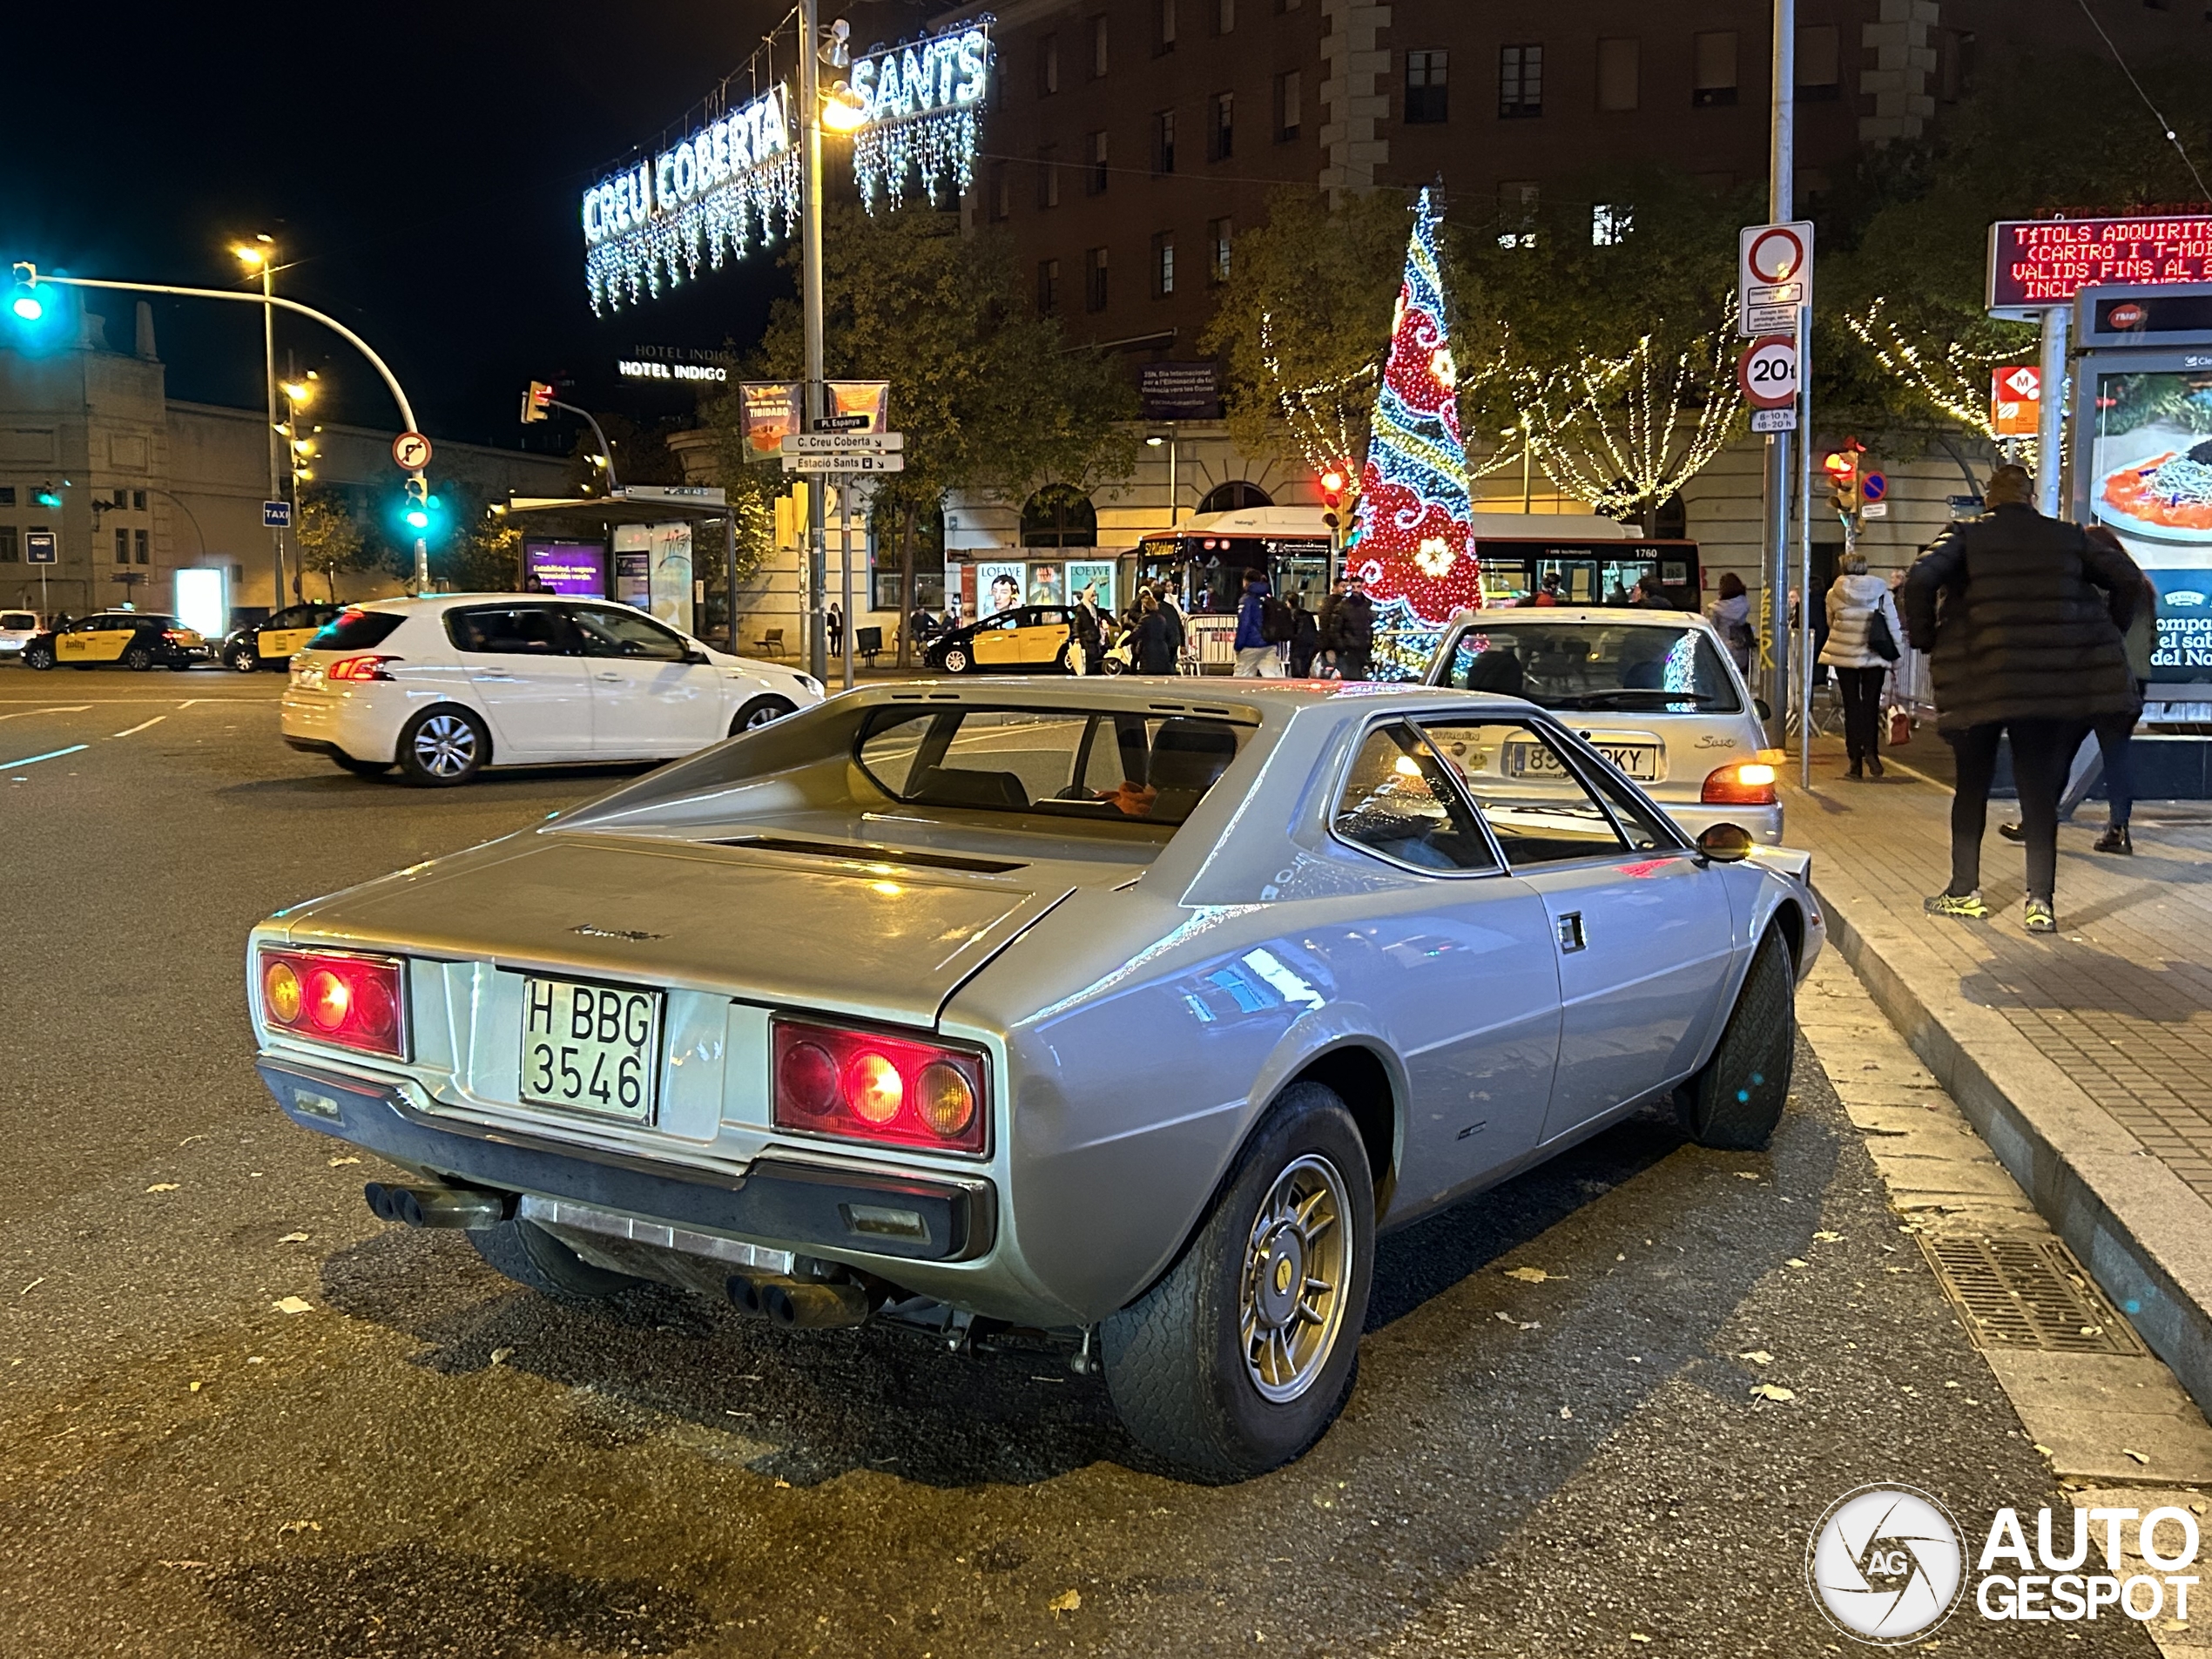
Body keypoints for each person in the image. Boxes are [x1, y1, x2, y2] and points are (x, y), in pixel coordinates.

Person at [1901, 463, 2141, 934]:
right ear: (2031, 497)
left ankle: (1964, 891)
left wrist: (1927, 637)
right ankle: (2040, 904)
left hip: (1978, 682)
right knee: (2037, 792)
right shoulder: (2069, 537)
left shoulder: (1966, 537)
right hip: (2047, 689)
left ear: (1990, 498)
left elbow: (1919, 579)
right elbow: (2126, 579)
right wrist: (2108, 629)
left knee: (1972, 786)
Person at [2001, 570, 2156, 854]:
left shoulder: (2096, 588)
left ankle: (2036, 823)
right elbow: (2152, 638)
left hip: (2092, 682)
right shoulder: (2143, 588)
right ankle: (2118, 829)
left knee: (2060, 752)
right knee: (2117, 757)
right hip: (2131, 683)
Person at [1819, 553, 1904, 780]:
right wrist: (1897, 655)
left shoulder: (1833, 593)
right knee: (1870, 706)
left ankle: (1854, 762)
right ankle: (1872, 754)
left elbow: (1831, 622)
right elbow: (1892, 622)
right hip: (1873, 654)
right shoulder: (1881, 591)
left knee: (1851, 706)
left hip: (1845, 654)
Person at [1705, 571, 1756, 677]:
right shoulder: (1744, 605)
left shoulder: (1714, 609)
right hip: (1741, 650)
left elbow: (1711, 628)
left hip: (1721, 650)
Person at [1233, 570, 1280, 677]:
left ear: (1245, 582)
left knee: (1242, 676)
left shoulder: (1247, 600)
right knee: (1272, 675)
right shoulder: (1269, 598)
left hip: (1251, 644)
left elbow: (1244, 624)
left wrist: (1238, 646)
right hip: (1270, 643)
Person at [1335, 576, 1375, 682]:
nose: (1356, 590)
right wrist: (1342, 648)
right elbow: (1336, 629)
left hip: (1362, 648)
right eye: (1353, 587)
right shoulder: (1343, 606)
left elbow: (1369, 626)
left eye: (1358, 587)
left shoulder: (1366, 605)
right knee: (1352, 680)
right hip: (1350, 650)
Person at [1130, 592, 1177, 674]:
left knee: (1147, 674)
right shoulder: (1161, 618)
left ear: (1145, 607)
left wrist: (1124, 642)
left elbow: (1135, 634)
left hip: (1148, 652)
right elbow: (1170, 634)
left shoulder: (1144, 619)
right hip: (1163, 651)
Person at [1070, 584, 1104, 676]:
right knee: (1090, 655)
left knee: (1095, 654)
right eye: (1093, 595)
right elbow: (1077, 623)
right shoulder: (1082, 609)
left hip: (1094, 635)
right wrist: (1076, 636)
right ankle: (1089, 671)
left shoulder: (1093, 607)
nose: (1094, 597)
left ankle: (1093, 670)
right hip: (1087, 636)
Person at [1287, 594, 1319, 676]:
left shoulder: (1291, 614)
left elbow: (1291, 630)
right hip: (1311, 643)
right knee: (1305, 668)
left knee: (1297, 669)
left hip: (1298, 645)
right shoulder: (1308, 614)